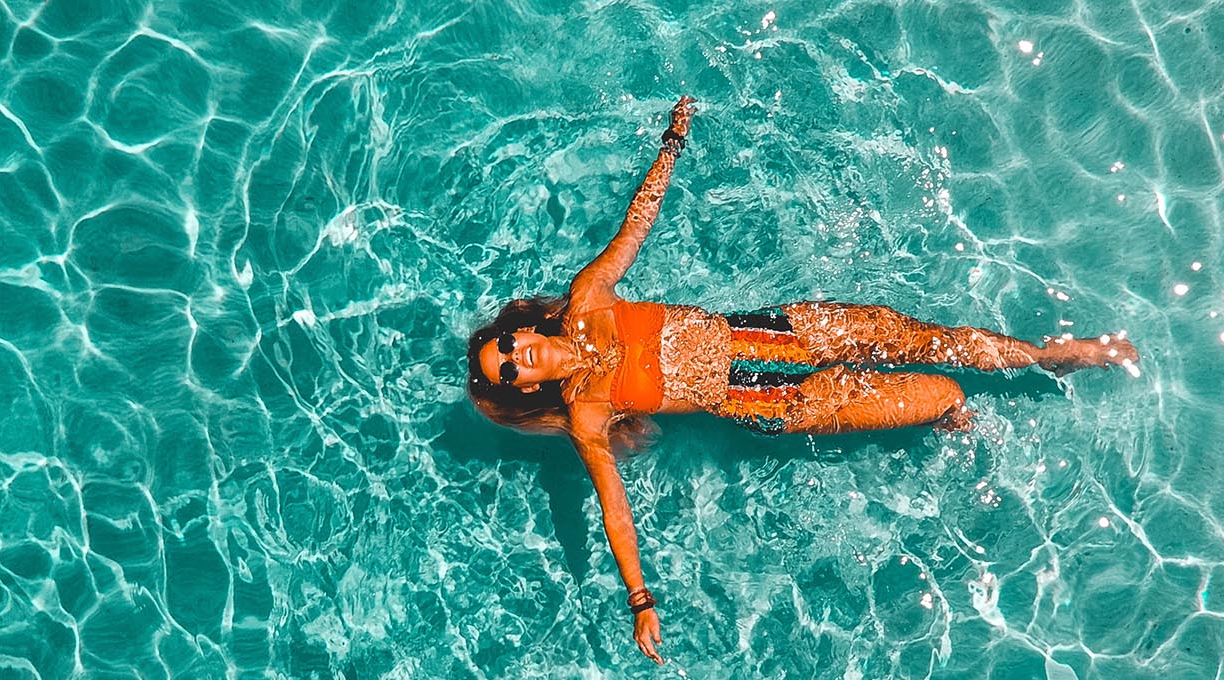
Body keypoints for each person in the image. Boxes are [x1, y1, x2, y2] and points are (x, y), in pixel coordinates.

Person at [465, 96, 1137, 663]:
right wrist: (641, 599)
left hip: (783, 330)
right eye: (511, 372)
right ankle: (950, 415)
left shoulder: (588, 300)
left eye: (510, 348)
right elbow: (614, 509)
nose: (520, 359)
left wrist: (670, 144)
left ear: (524, 332)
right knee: (946, 395)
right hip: (779, 400)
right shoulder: (587, 413)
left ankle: (1046, 357)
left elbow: (634, 229)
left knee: (924, 340)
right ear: (524, 388)